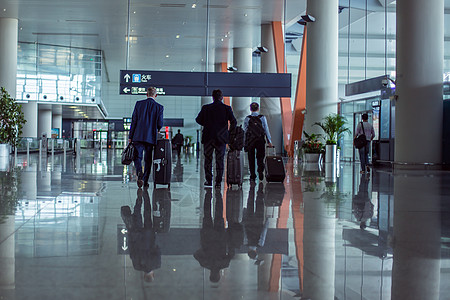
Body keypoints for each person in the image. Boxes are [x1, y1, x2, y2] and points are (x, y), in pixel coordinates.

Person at [196, 89, 237, 188]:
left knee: (208, 160)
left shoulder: (206, 108)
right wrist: (229, 133)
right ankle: (218, 182)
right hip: (221, 138)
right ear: (221, 98)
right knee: (220, 160)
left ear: (213, 97)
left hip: (208, 137)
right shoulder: (226, 108)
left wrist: (207, 124)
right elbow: (233, 121)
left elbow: (198, 120)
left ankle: (208, 181)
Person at [121, 189, 161, 282]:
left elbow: (158, 250)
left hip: (149, 236)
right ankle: (139, 198)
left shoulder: (156, 264)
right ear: (144, 276)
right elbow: (132, 251)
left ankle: (145, 197)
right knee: (137, 214)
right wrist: (130, 236)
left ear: (153, 274)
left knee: (147, 213)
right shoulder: (137, 266)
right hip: (137, 236)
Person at [194, 188, 232, 283]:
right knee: (207, 214)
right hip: (207, 236)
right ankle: (208, 194)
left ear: (218, 275)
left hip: (220, 236)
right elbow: (196, 254)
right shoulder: (205, 263)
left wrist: (227, 242)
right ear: (210, 275)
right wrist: (203, 249)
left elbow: (231, 253)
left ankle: (218, 195)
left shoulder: (224, 264)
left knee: (219, 213)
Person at [129, 87, 164, 188]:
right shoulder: (159, 107)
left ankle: (139, 173)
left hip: (138, 135)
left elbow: (134, 121)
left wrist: (131, 136)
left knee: (138, 157)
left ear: (146, 94)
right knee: (148, 159)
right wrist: (157, 128)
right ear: (155, 95)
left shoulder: (139, 104)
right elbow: (160, 123)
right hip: (150, 137)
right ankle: (145, 180)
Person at [243, 102, 273, 181]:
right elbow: (266, 129)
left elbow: (245, 131)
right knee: (260, 157)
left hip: (251, 141)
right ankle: (260, 171)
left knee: (251, 158)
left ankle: (252, 175)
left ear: (250, 109)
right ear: (258, 108)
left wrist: (244, 142)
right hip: (260, 140)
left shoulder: (247, 118)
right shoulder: (262, 118)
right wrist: (269, 141)